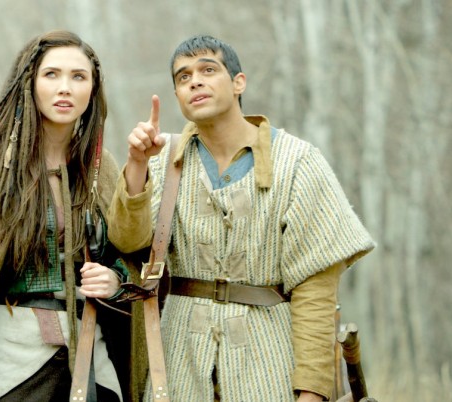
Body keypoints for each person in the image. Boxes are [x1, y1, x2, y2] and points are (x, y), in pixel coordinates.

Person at [106, 34, 376, 402]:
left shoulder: (297, 162)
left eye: (208, 70)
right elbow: (127, 242)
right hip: (179, 363)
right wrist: (137, 165)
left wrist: (312, 392)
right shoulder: (163, 159)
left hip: (270, 364)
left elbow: (316, 291)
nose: (194, 81)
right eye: (183, 77)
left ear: (238, 83)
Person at [0, 30, 132, 402]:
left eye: (78, 76)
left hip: (91, 358)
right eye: (51, 74)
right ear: (29, 84)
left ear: (93, 89)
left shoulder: (102, 169)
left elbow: (127, 254)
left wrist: (116, 278)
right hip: (14, 367)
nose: (65, 87)